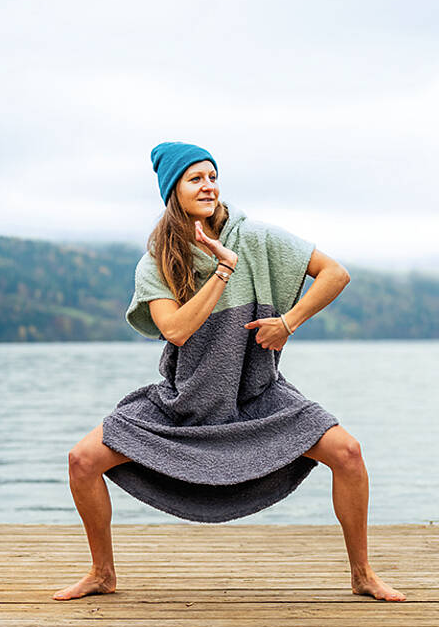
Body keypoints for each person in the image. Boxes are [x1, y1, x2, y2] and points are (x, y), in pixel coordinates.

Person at [53, 141, 406, 602]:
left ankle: (362, 574)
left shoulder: (256, 238)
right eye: (195, 179)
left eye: (212, 177)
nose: (208, 186)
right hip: (182, 401)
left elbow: (335, 273)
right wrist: (223, 271)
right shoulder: (158, 261)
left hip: (259, 395)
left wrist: (288, 323)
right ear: (173, 191)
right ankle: (102, 573)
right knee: (82, 460)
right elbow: (176, 330)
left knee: (348, 453)